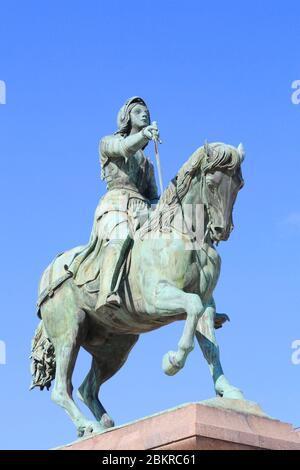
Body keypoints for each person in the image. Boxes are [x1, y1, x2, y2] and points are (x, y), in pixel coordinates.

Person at [94, 96, 159, 309]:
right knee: (121, 236)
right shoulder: (107, 143)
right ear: (126, 118)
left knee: (185, 236)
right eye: (138, 111)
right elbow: (123, 148)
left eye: (146, 111)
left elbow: (153, 195)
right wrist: (142, 135)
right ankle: (107, 292)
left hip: (142, 210)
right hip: (116, 204)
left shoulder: (148, 164)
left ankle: (200, 295)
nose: (144, 114)